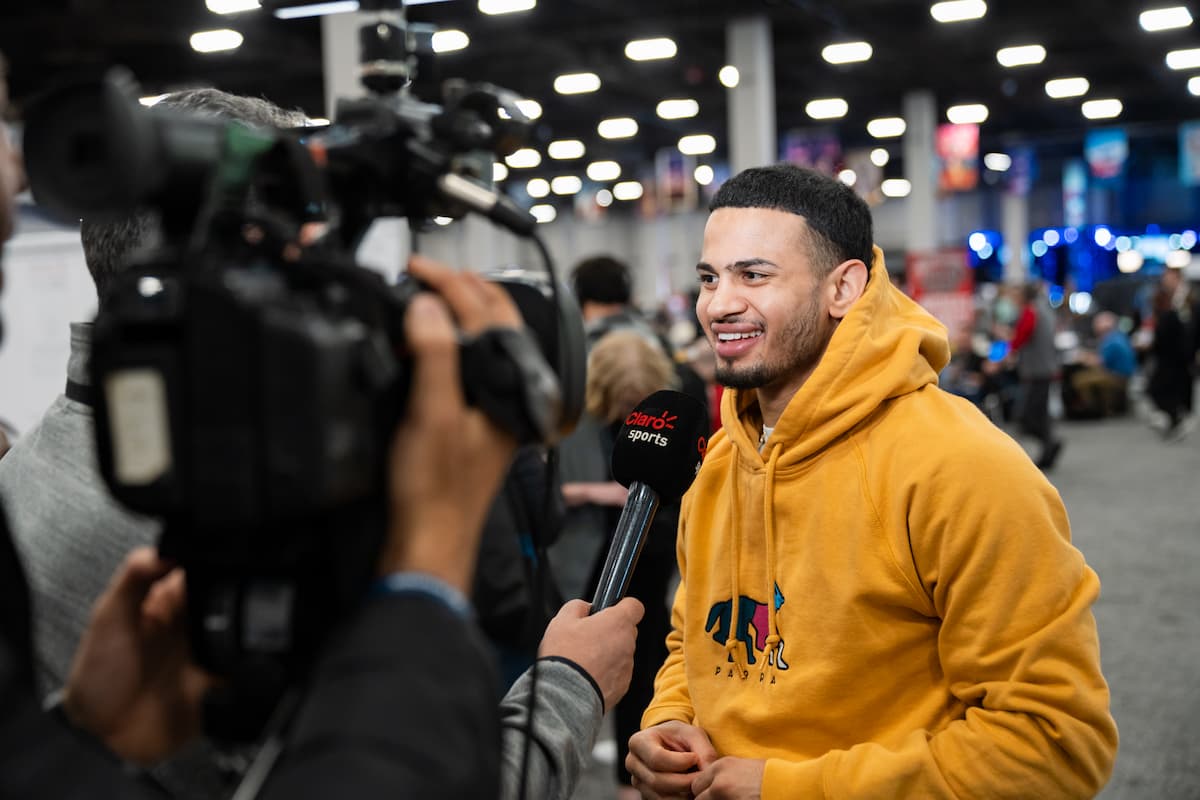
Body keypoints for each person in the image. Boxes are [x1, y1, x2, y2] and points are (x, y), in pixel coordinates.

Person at [626, 164, 1118, 799]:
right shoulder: (720, 464)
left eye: (754, 275)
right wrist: (668, 723)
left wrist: (788, 790)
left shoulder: (961, 467)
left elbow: (1055, 744)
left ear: (843, 288)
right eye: (709, 278)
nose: (719, 304)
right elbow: (693, 644)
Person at [556, 329, 681, 799]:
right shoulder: (574, 421)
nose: (631, 412)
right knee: (574, 662)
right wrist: (597, 493)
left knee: (646, 660)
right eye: (623, 403)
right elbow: (544, 493)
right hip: (586, 557)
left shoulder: (667, 411)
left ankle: (630, 776)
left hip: (649, 555)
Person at [1010, 281, 1065, 469]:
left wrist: (1008, 347)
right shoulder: (1045, 309)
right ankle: (1049, 447)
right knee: (1040, 413)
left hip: (1036, 370)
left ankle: (1050, 443)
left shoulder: (1030, 312)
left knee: (1028, 416)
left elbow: (1020, 338)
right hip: (1045, 368)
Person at [1070, 311, 1136, 418]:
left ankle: (1093, 409)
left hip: (1118, 376)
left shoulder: (1111, 341)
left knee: (1079, 379)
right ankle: (1102, 408)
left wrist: (1084, 357)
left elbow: (1100, 362)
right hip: (1124, 375)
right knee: (1093, 375)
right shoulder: (1118, 336)